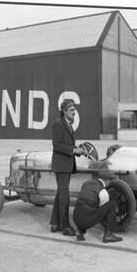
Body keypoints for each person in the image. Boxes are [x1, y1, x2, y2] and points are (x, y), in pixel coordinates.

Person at [49, 99, 85, 236]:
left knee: (60, 195)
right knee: (65, 197)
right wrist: (73, 151)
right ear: (64, 111)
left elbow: (66, 144)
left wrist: (77, 150)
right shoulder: (58, 124)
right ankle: (65, 226)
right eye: (71, 110)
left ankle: (54, 223)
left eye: (74, 110)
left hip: (67, 164)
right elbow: (57, 145)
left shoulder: (68, 125)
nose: (74, 112)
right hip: (61, 165)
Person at [73, 176, 123, 243]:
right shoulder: (103, 192)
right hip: (86, 221)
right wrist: (115, 215)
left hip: (76, 218)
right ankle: (108, 235)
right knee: (111, 205)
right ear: (107, 181)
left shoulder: (87, 183)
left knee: (85, 206)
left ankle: (79, 231)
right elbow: (103, 211)